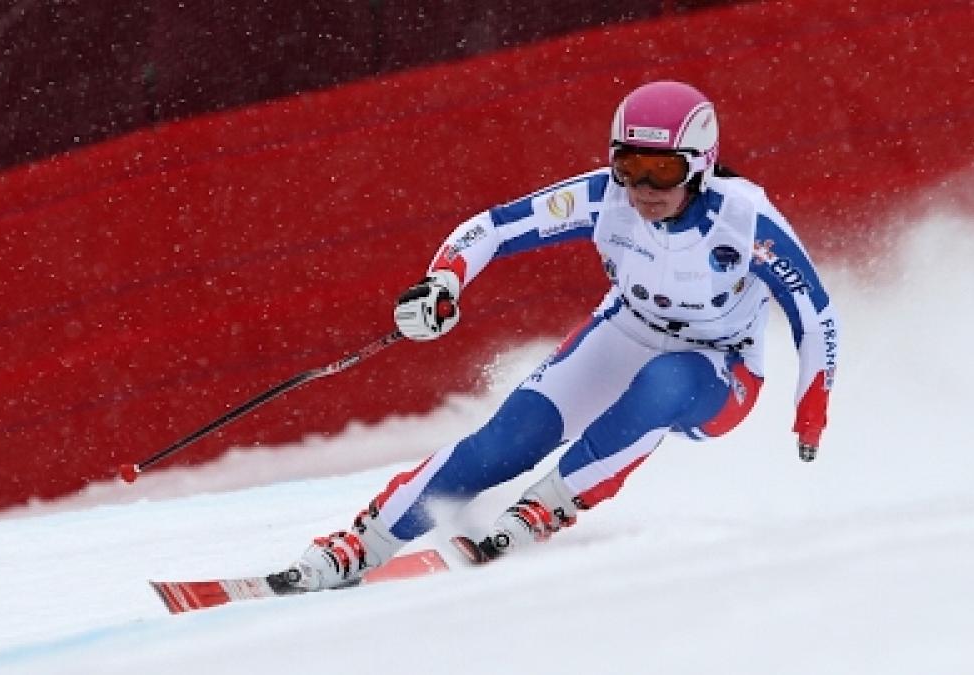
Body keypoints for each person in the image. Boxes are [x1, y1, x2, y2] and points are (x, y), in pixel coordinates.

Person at [281, 80, 840, 591]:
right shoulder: (606, 197)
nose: (643, 188)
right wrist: (442, 282)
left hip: (720, 369)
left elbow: (814, 314)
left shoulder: (744, 220)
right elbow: (493, 228)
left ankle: (549, 504)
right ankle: (365, 542)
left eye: (663, 172)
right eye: (628, 165)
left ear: (700, 165)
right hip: (626, 331)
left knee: (667, 381)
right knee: (508, 441)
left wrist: (811, 409)